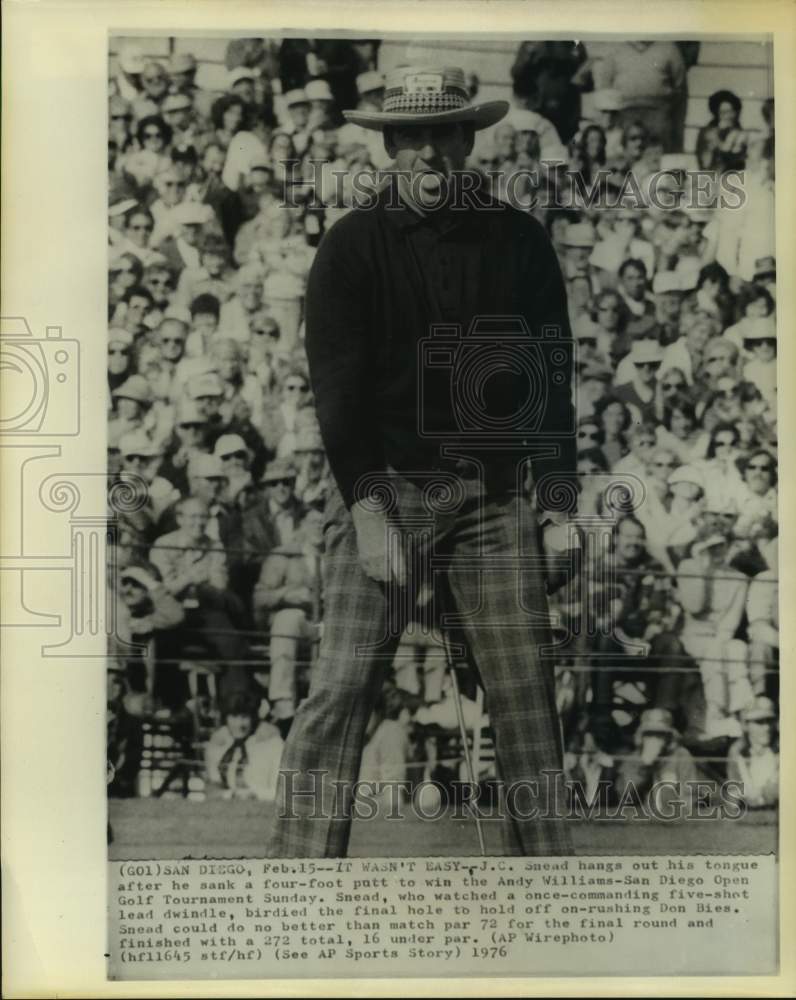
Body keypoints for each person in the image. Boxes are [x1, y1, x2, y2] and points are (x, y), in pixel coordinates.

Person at [266, 64, 575, 858]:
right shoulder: (350, 247)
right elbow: (338, 398)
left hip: (494, 499)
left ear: (468, 138)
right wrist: (369, 514)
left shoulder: (518, 240)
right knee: (340, 691)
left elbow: (550, 384)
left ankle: (556, 898)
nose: (429, 153)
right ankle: (293, 891)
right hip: (386, 492)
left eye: (444, 134)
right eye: (412, 137)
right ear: (387, 145)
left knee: (527, 701)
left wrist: (562, 507)